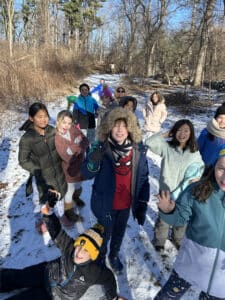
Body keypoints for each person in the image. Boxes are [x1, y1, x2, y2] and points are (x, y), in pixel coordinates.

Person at [0, 190, 125, 300]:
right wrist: (48, 211)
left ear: (92, 255)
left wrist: (113, 297)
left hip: (55, 296)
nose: (79, 251)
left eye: (86, 250)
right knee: (18, 277)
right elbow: (56, 231)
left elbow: (109, 279)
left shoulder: (94, 271)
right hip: (46, 272)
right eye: (79, 246)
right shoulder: (69, 248)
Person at [81, 107, 150, 272]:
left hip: (125, 205)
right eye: (115, 125)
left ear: (130, 129)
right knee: (104, 234)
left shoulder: (138, 152)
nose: (119, 130)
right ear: (109, 128)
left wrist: (142, 204)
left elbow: (143, 179)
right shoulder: (100, 148)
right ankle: (100, 257)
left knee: (119, 233)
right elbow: (86, 173)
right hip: (105, 204)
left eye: (124, 126)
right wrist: (93, 160)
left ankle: (113, 255)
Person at [154, 148, 225, 300]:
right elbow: (179, 218)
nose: (224, 177)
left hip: (221, 278)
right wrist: (169, 211)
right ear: (214, 167)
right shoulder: (198, 189)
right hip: (191, 263)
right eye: (221, 168)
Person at [145, 119, 204, 250]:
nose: (182, 134)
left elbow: (200, 167)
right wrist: (167, 133)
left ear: (191, 134)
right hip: (167, 192)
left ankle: (177, 239)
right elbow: (149, 142)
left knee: (181, 220)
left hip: (185, 194)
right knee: (164, 220)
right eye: (179, 130)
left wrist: (198, 177)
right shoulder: (168, 148)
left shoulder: (194, 152)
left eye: (186, 131)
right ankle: (159, 242)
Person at [18, 102, 68, 231]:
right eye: (39, 117)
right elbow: (23, 160)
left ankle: (61, 215)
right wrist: (36, 170)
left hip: (57, 171)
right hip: (41, 175)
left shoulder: (52, 130)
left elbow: (61, 146)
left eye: (45, 116)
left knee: (60, 192)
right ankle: (39, 219)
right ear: (31, 118)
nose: (43, 119)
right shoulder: (27, 138)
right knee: (40, 198)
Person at [55, 110, 89, 223]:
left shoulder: (73, 129)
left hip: (80, 167)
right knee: (69, 191)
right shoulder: (58, 139)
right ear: (58, 121)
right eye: (64, 122)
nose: (67, 126)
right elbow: (68, 158)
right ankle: (69, 213)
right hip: (69, 171)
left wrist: (76, 146)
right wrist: (78, 144)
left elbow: (86, 140)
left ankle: (76, 198)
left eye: (69, 123)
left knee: (79, 186)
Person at [198, 102, 225, 168]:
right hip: (204, 168)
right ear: (215, 118)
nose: (222, 121)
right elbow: (197, 150)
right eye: (220, 117)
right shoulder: (207, 132)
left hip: (220, 171)